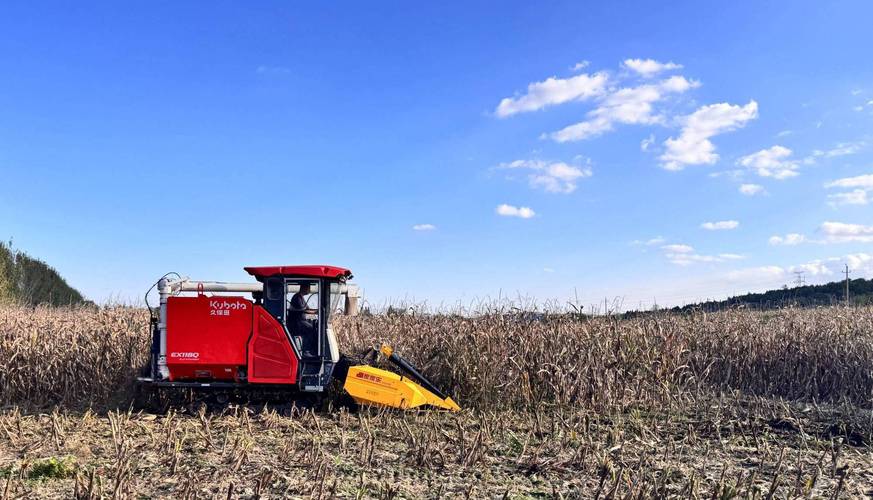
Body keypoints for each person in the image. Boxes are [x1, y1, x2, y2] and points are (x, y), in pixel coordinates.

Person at [287, 283, 317, 354]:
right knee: (310, 329)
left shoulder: (301, 297)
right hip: (296, 322)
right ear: (304, 288)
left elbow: (308, 309)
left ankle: (312, 350)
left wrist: (317, 310)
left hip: (300, 321)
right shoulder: (297, 297)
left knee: (314, 327)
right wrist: (315, 312)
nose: (309, 290)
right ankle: (306, 350)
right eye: (309, 288)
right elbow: (303, 310)